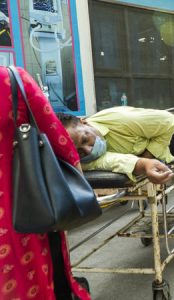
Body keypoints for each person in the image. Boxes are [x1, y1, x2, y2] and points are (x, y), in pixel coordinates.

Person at [0, 67, 90, 299]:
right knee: (35, 275)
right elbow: (57, 137)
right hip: (23, 206)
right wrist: (81, 192)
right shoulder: (13, 79)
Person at [57, 107, 174, 184]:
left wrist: (148, 156)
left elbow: (169, 120)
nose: (89, 151)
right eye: (79, 152)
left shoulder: (123, 120)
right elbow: (111, 161)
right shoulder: (79, 160)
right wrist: (144, 163)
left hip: (167, 138)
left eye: (85, 140)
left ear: (83, 122)